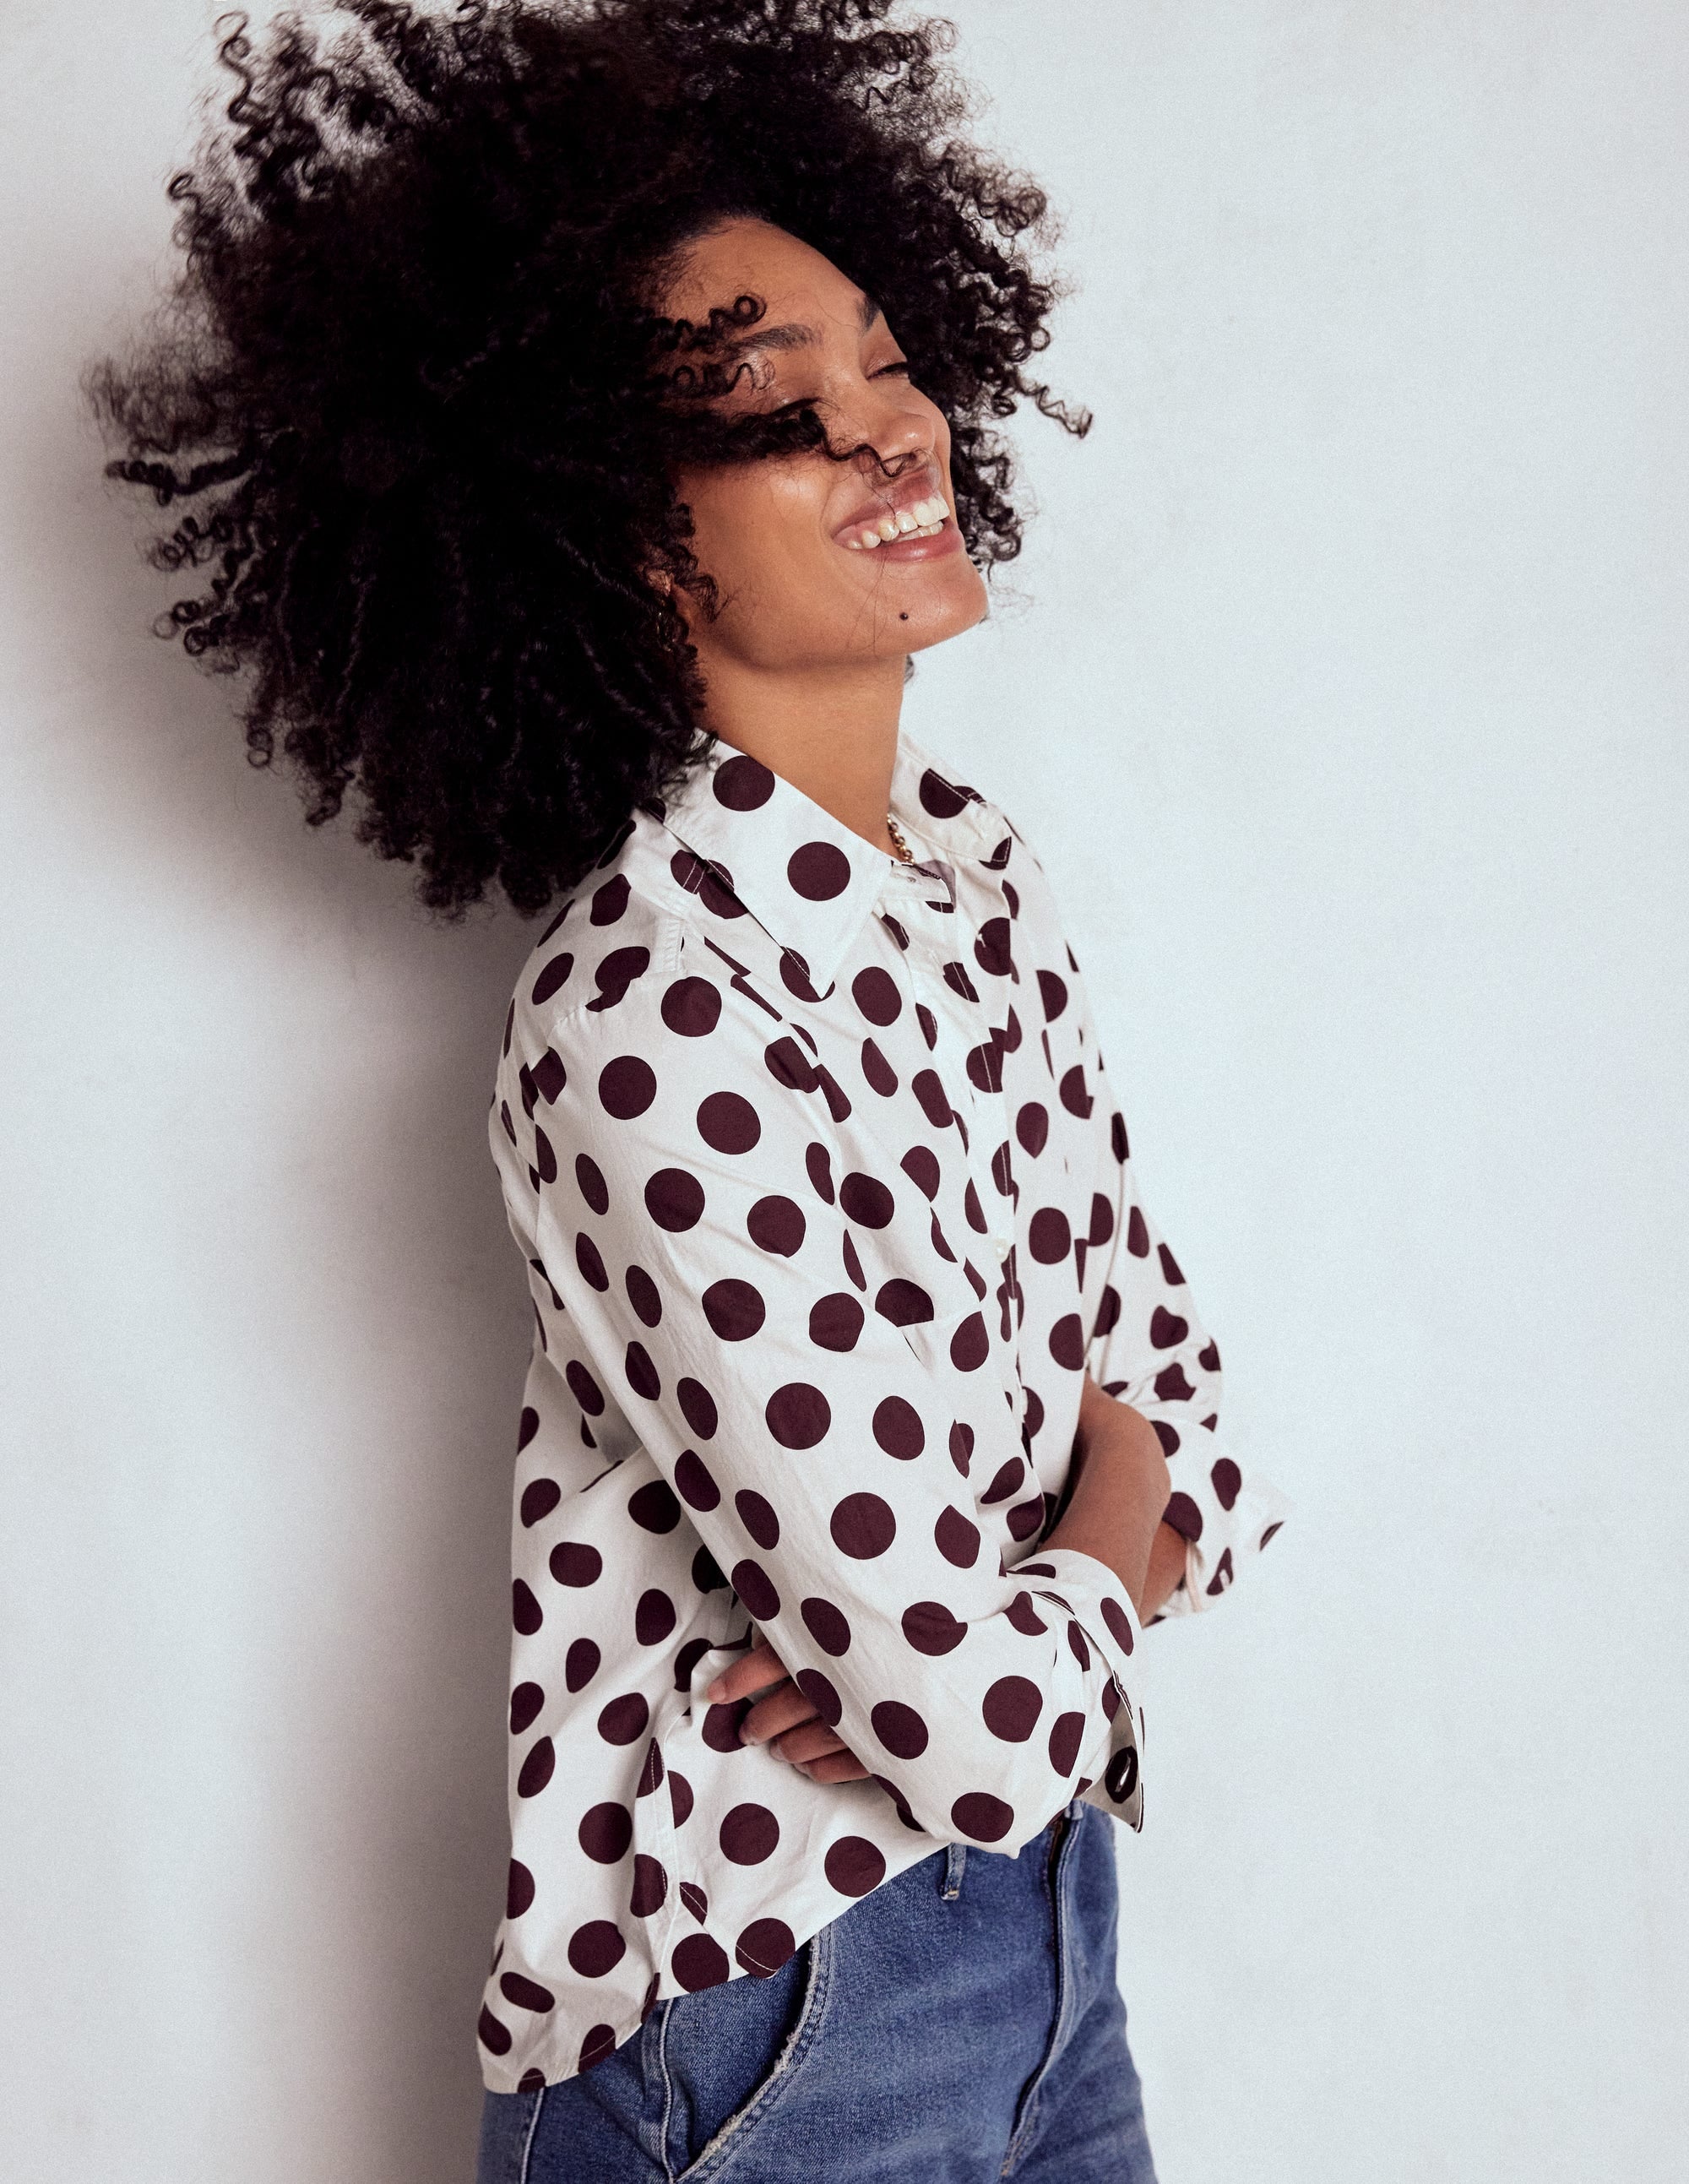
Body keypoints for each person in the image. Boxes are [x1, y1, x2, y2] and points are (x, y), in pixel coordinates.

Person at [88, 3, 1290, 2176]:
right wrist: (1083, 1555)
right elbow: (973, 1710)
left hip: (1051, 1971)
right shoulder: (650, 1019)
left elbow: (1203, 1437)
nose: (892, 429)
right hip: (770, 2031)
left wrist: (1045, 1585)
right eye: (777, 410)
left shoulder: (983, 895)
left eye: (884, 361)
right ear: (626, 542)